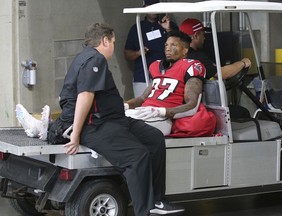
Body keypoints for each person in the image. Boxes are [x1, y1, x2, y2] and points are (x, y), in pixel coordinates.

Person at [16, 22, 185, 216]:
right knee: (137, 157)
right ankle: (144, 210)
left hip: (116, 120)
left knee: (154, 138)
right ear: (104, 40)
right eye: (112, 41)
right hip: (96, 125)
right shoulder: (95, 60)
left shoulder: (84, 57)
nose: (113, 46)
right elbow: (85, 96)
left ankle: (156, 199)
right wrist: (76, 135)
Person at [125, 31, 216, 137]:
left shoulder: (191, 66)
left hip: (162, 118)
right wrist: (126, 105)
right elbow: (142, 99)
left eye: (173, 45)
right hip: (145, 112)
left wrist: (162, 111)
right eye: (166, 45)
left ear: (185, 50)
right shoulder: (157, 66)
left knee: (125, 128)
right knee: (113, 120)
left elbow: (192, 106)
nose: (168, 49)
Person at [124, 0, 178, 97]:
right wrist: (138, 53)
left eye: (156, 6)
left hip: (167, 75)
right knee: (142, 107)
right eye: (150, 6)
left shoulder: (169, 25)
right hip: (143, 77)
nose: (154, 9)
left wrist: (168, 29)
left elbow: (180, 46)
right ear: (145, 7)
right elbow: (127, 54)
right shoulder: (137, 28)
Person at [179, 18, 251, 80]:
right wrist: (243, 63)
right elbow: (222, 74)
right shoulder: (196, 57)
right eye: (202, 34)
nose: (204, 38)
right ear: (196, 36)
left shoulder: (179, 53)